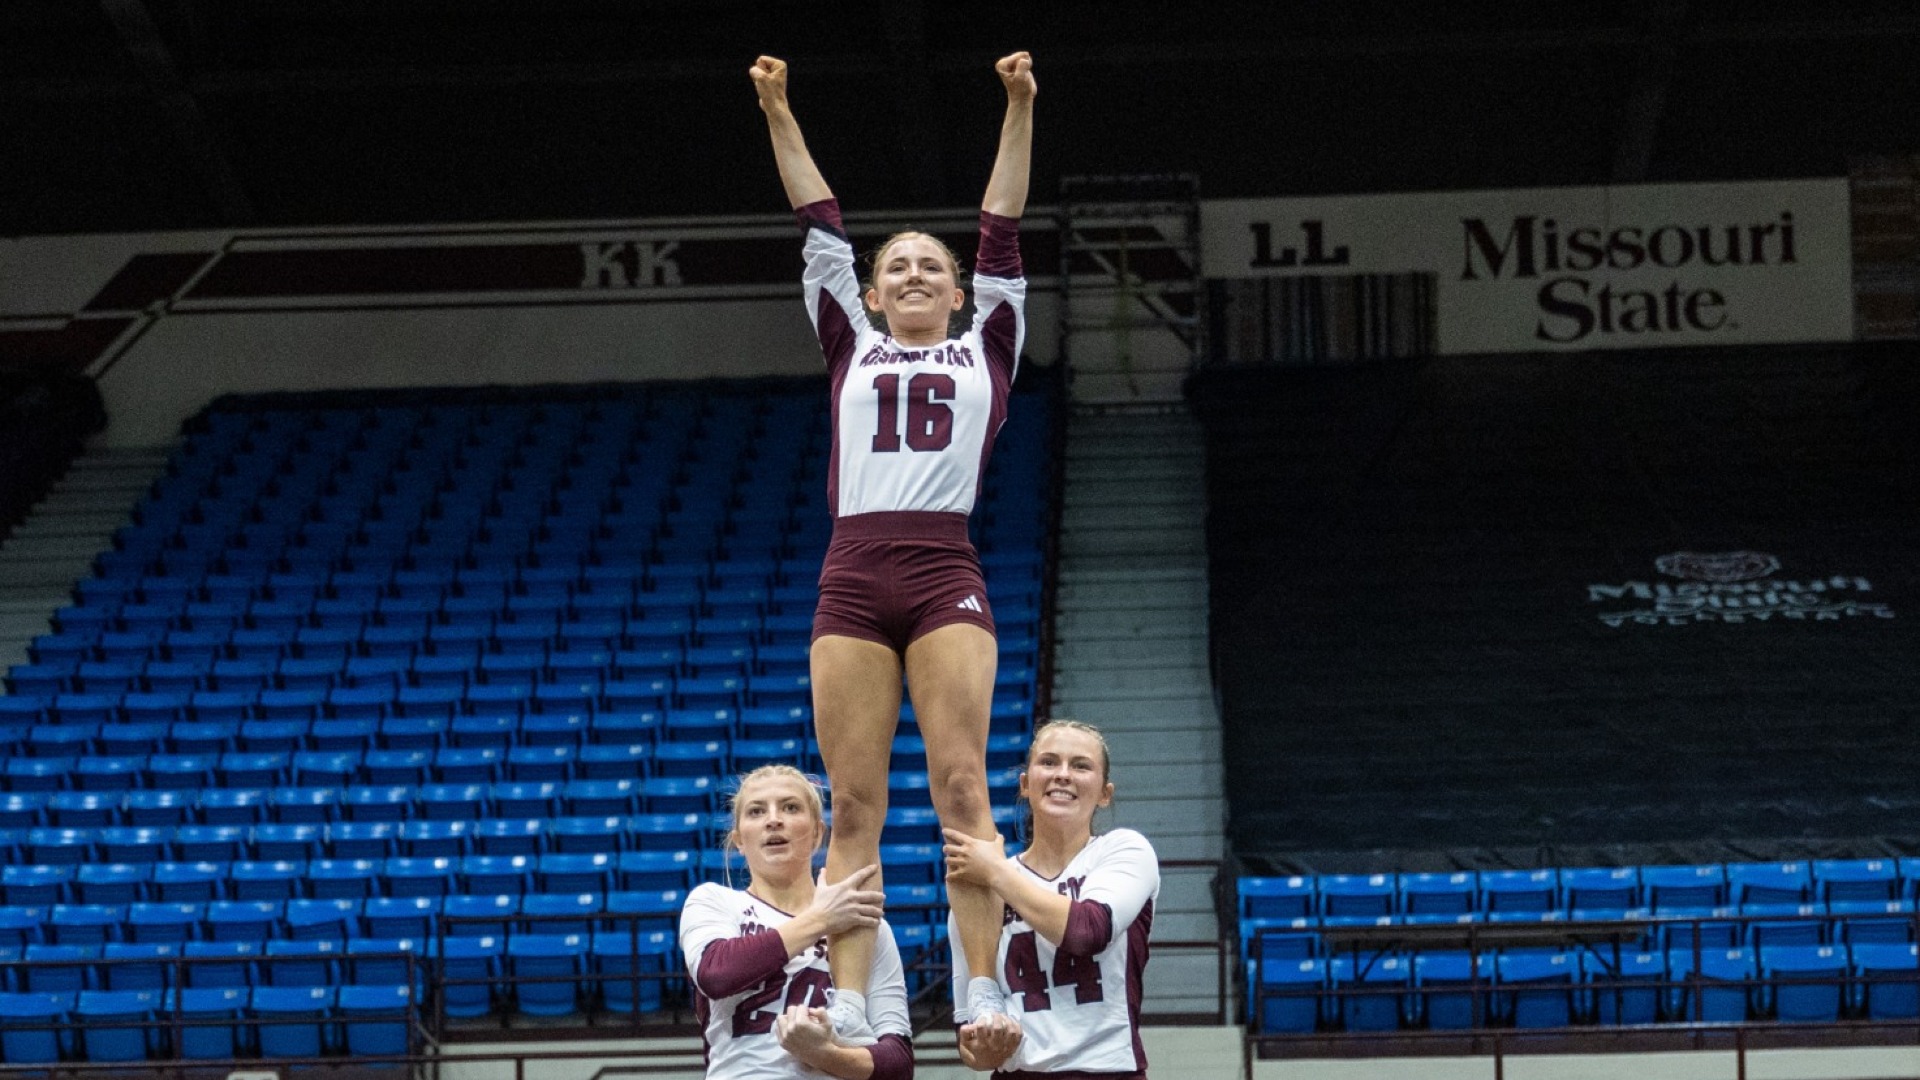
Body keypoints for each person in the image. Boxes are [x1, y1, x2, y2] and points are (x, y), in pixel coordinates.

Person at [748, 49, 1036, 1042]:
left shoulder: (990, 339)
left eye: (933, 265)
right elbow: (818, 221)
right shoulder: (847, 342)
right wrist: (778, 107)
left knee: (962, 789)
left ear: (961, 294)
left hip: (944, 566)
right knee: (856, 800)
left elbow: (1002, 225)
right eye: (897, 265)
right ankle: (850, 998)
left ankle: (981, 989)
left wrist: (1018, 103)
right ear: (871, 293)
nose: (915, 272)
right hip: (853, 572)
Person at [943, 720, 1160, 1077]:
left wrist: (996, 873)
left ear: (1105, 794)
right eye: (1049, 762)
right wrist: (986, 1046)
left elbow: (1088, 931)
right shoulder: (983, 887)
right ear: (1025, 784)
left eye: (1080, 766)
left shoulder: (1125, 850)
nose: (1063, 774)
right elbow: (969, 1042)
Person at [679, 765, 914, 1079]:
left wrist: (825, 1055)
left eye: (790, 808)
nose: (773, 820)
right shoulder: (714, 901)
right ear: (739, 839)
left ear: (817, 832)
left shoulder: (862, 923)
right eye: (756, 811)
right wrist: (819, 920)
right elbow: (717, 974)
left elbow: (898, 1063)